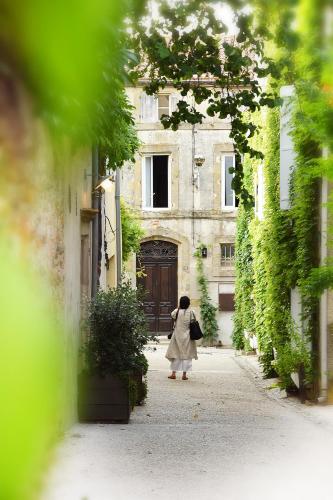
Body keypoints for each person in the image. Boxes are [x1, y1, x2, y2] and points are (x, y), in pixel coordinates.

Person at [165, 295, 198, 380]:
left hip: (177, 336)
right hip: (188, 336)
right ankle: (184, 375)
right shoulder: (191, 312)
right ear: (188, 303)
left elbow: (172, 315)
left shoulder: (176, 311)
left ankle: (173, 374)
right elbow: (193, 321)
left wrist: (179, 307)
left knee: (176, 355)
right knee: (186, 355)